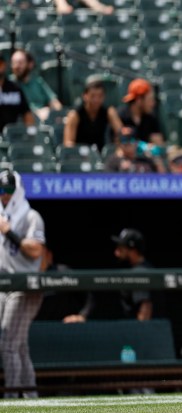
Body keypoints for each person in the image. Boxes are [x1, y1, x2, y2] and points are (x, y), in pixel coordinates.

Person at [0, 171, 46, 398]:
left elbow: (36, 249)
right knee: (19, 346)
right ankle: (30, 396)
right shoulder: (1, 216)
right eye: (0, 191)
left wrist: (9, 233)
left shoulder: (30, 217)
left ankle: (10, 398)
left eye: (8, 191)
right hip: (5, 286)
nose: (4, 196)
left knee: (8, 343)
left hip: (25, 287)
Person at [64, 228, 153, 323]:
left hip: (144, 333)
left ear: (132, 250)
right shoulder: (137, 268)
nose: (116, 252)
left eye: (121, 248)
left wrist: (140, 334)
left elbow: (145, 308)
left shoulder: (140, 272)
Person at [63, 78, 123, 152]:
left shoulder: (109, 112)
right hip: (80, 155)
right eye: (93, 96)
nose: (96, 100)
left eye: (100, 96)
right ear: (85, 96)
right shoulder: (74, 115)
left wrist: (118, 147)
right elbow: (68, 143)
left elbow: (121, 133)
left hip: (101, 156)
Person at [10, 49, 62, 123]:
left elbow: (54, 102)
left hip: (42, 121)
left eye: (20, 63)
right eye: (14, 63)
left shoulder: (37, 81)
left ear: (30, 64)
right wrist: (37, 113)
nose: (16, 66)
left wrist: (56, 114)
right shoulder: (8, 84)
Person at [118, 78, 164, 146]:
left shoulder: (151, 119)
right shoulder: (120, 117)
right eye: (150, 100)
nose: (153, 104)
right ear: (139, 100)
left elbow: (159, 143)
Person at [0, 55, 35, 132]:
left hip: (12, 136)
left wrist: (31, 132)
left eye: (0, 63)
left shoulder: (15, 88)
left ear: (4, 65)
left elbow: (26, 113)